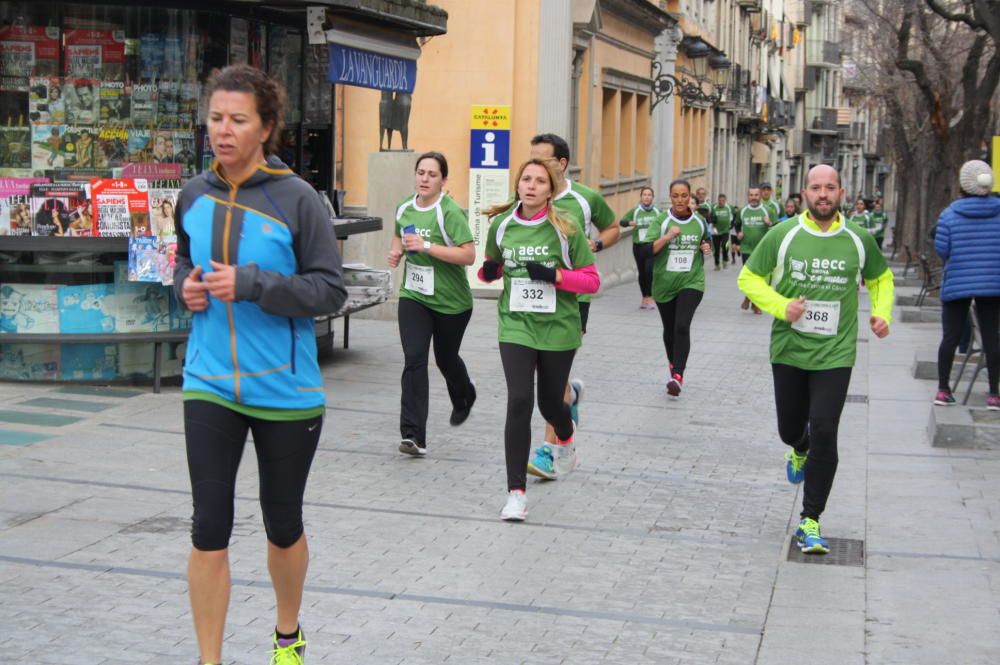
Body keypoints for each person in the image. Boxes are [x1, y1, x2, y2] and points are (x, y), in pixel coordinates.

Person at [173, 64, 347, 665]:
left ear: (265, 126)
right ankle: (209, 658)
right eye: (216, 117)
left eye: (238, 120)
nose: (223, 130)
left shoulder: (297, 199)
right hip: (209, 383)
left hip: (286, 390)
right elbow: (181, 262)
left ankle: (287, 632)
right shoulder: (193, 193)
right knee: (208, 524)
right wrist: (185, 289)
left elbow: (330, 290)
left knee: (282, 524)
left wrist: (250, 283)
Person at [738, 164, 894, 553]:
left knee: (826, 430)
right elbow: (748, 278)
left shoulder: (858, 238)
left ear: (841, 192)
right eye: (815, 188)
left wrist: (882, 312)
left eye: (830, 188)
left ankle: (810, 519)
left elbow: (880, 278)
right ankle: (798, 445)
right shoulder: (783, 234)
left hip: (835, 353)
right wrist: (781, 306)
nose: (823, 194)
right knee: (790, 429)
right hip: (789, 350)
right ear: (804, 193)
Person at [478, 158, 600, 520]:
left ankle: (565, 432)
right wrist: (488, 271)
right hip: (515, 324)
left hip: (557, 327)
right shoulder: (501, 225)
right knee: (519, 400)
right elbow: (492, 267)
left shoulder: (566, 226)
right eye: (526, 179)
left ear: (551, 189)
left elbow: (592, 281)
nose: (531, 186)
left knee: (550, 404)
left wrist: (555, 276)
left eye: (540, 181)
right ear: (518, 185)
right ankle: (516, 493)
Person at [526, 133, 618, 479]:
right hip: (532, 298)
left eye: (543, 161)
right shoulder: (526, 193)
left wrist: (594, 244)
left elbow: (612, 227)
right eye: (531, 159)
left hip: (571, 299)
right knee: (543, 374)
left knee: (554, 376)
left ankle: (549, 451)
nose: (534, 168)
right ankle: (571, 395)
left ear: (561, 164)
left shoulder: (585, 198)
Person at [386, 151, 477, 455]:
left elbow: (468, 255)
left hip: (452, 302)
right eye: (421, 172)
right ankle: (413, 436)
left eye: (432, 174)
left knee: (446, 358)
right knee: (414, 358)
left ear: (443, 180)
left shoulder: (448, 211)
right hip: (414, 296)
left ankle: (464, 395)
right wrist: (396, 253)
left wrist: (428, 246)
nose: (424, 179)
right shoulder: (404, 208)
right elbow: (399, 235)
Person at [933, 160, 1000, 410]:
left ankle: (943, 389)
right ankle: (994, 394)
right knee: (992, 338)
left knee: (950, 337)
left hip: (958, 282)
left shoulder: (949, 214)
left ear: (962, 184)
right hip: (993, 284)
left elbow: (942, 249)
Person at [637, 179, 712, 396]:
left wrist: (707, 247)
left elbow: (708, 246)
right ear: (670, 197)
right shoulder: (661, 220)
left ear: (690, 197)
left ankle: (678, 375)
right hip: (664, 284)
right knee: (670, 331)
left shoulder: (699, 221)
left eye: (684, 195)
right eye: (676, 196)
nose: (680, 200)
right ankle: (673, 365)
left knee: (681, 326)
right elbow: (645, 251)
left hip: (692, 281)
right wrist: (667, 236)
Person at [619, 186, 660, 309]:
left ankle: (651, 297)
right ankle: (644, 298)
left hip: (651, 245)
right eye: (645, 195)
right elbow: (622, 221)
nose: (647, 197)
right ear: (641, 197)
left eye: (649, 195)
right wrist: (629, 223)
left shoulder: (658, 212)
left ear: (652, 197)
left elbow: (666, 223)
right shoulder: (635, 211)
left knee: (649, 271)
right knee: (642, 272)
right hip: (638, 245)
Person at [734, 186, 773, 312]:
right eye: (751, 195)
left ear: (760, 195)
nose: (754, 198)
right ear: (748, 196)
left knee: (760, 277)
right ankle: (754, 302)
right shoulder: (742, 211)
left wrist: (769, 224)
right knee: (749, 277)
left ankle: (749, 299)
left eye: (756, 195)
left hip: (762, 250)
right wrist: (739, 233)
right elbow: (736, 224)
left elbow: (777, 228)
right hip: (746, 249)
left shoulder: (768, 210)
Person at [709, 193, 735, 270]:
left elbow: (734, 216)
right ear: (718, 200)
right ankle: (717, 264)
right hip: (716, 231)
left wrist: (732, 225)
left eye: (723, 200)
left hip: (725, 231)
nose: (721, 202)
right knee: (716, 249)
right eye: (720, 200)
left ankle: (725, 259)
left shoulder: (729, 207)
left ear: (725, 201)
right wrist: (712, 222)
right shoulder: (714, 207)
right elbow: (709, 218)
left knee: (725, 245)